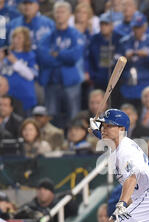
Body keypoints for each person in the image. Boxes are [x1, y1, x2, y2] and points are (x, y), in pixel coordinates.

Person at [37, 1, 85, 129]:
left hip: (71, 82)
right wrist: (63, 57)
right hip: (52, 82)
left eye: (62, 12)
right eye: (57, 12)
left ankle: (73, 144)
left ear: (70, 15)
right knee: (51, 117)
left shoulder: (75, 34)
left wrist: (56, 55)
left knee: (73, 116)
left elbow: (74, 56)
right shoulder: (47, 36)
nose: (59, 15)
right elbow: (43, 57)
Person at [116, 12, 149, 108]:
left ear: (145, 27)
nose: (137, 31)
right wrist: (125, 58)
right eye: (135, 27)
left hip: (147, 85)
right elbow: (114, 63)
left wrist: (148, 56)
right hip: (128, 87)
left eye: (139, 27)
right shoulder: (124, 41)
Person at [0, 26, 38, 113]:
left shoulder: (30, 55)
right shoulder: (6, 54)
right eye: (14, 37)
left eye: (19, 38)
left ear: (26, 40)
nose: (16, 40)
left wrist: (15, 61)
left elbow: (30, 76)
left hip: (25, 97)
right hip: (8, 98)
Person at [89, 12, 121, 92]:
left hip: (115, 81)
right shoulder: (94, 39)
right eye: (101, 24)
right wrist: (93, 75)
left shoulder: (119, 39)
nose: (103, 27)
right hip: (98, 79)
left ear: (112, 25)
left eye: (106, 24)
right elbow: (90, 58)